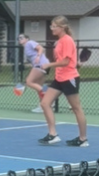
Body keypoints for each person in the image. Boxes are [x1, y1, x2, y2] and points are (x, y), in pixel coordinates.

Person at [37, 16, 88, 147]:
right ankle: (53, 135)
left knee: (76, 108)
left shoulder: (67, 41)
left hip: (69, 78)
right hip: (59, 78)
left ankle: (83, 139)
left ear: (62, 27)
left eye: (54, 26)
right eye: (51, 26)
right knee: (45, 103)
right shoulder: (59, 41)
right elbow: (69, 60)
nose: (52, 29)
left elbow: (65, 62)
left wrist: (49, 65)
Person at [15, 34, 50, 113]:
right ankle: (43, 106)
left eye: (21, 38)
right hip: (42, 65)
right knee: (39, 87)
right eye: (18, 38)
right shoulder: (26, 48)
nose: (19, 39)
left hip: (41, 64)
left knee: (29, 82)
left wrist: (38, 56)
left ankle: (48, 95)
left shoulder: (30, 43)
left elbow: (41, 48)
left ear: (27, 39)